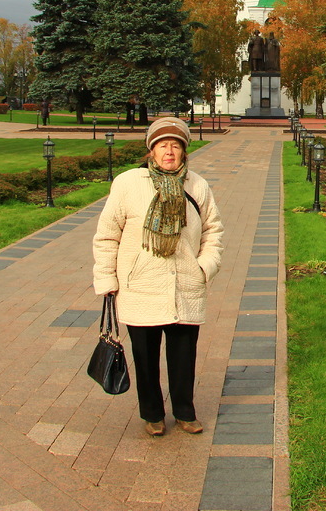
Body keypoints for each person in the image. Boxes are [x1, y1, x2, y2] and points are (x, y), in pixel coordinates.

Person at [92, 117, 224, 437]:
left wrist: (204, 266)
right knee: (145, 357)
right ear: (151, 151)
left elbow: (213, 231)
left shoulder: (197, 185)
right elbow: (107, 235)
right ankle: (152, 414)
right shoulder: (128, 184)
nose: (169, 151)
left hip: (185, 284)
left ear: (184, 151)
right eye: (163, 145)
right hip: (141, 285)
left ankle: (185, 412)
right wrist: (107, 280)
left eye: (175, 146)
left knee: (183, 356)